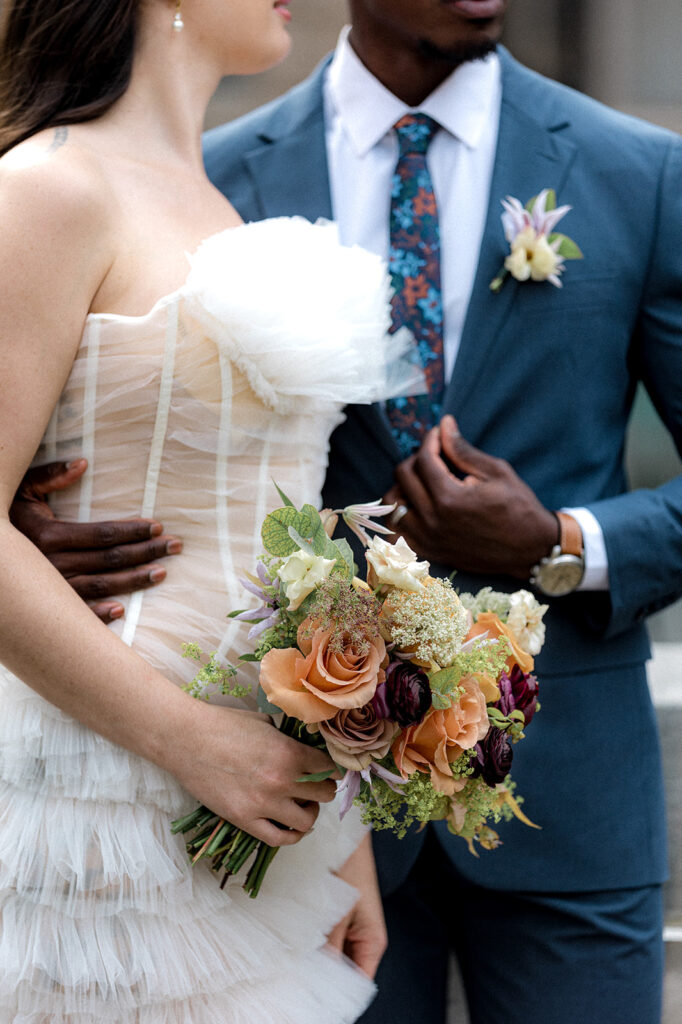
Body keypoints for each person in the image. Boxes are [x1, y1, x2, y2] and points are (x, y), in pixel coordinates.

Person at [12, 1, 682, 1023]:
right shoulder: (153, 176)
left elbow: (271, 513)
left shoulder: (634, 171)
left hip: (474, 796)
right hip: (169, 781)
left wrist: (560, 546)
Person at [0, 0, 408, 1020]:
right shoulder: (47, 188)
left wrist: (338, 834)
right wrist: (189, 741)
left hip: (248, 807)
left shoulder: (209, 203)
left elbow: (285, 563)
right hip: (91, 796)